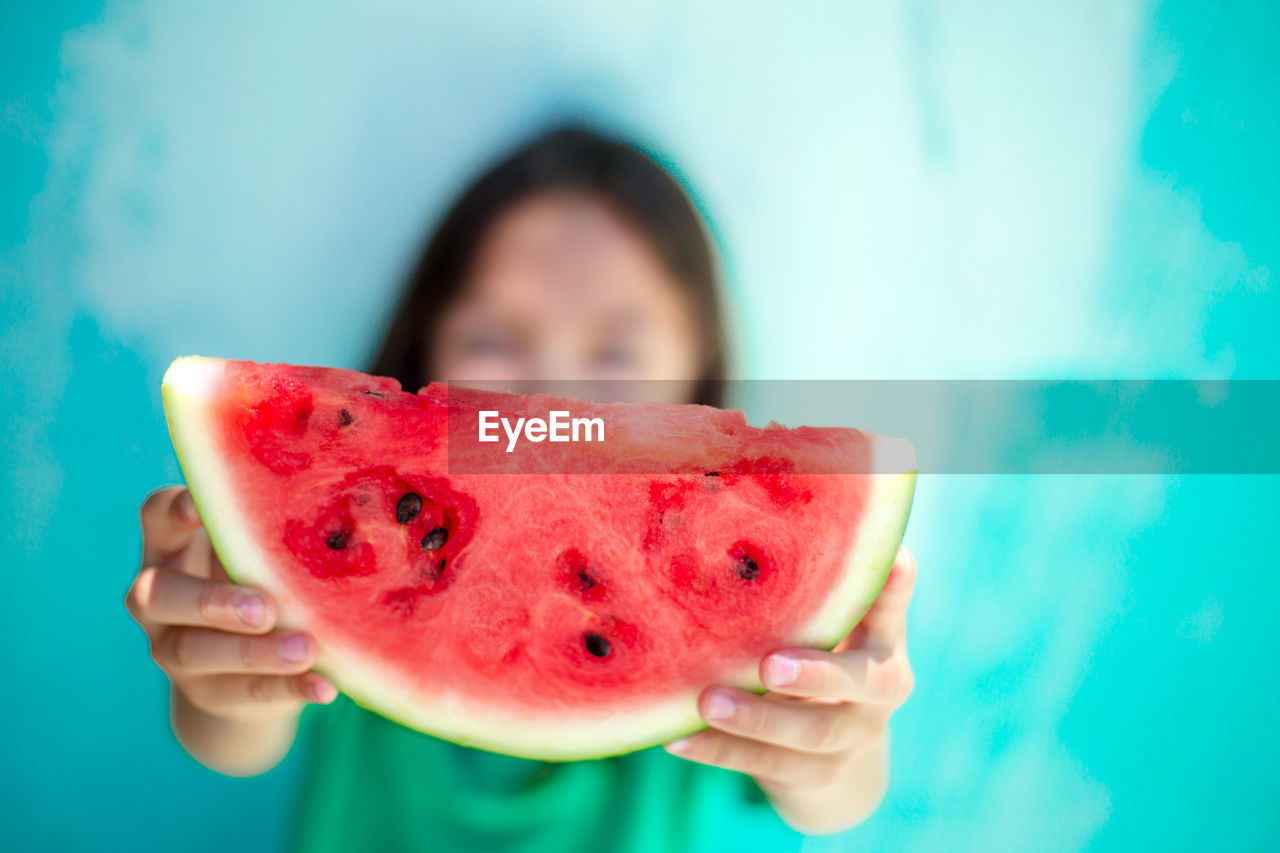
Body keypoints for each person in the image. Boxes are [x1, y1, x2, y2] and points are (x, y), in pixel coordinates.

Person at [126, 125, 917, 851]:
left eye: (616, 352)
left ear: (699, 373)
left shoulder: (729, 622)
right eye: (494, 340)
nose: (553, 390)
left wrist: (837, 740)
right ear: (422, 346)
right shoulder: (371, 543)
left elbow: (834, 798)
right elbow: (238, 741)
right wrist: (226, 676)